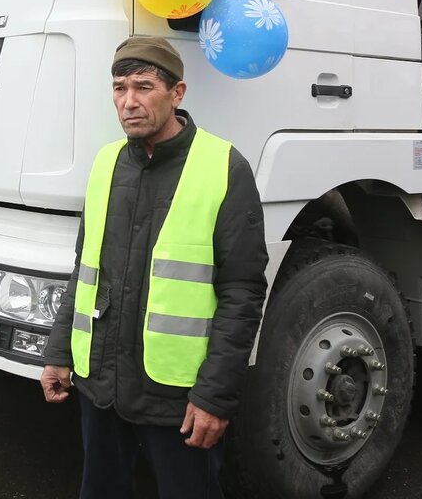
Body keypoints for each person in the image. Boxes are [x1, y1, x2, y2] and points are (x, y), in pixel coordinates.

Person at [39, 36, 268, 499]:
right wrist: (59, 352)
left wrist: (215, 396)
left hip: (177, 399)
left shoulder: (223, 166)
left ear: (177, 93)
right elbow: (84, 270)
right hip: (100, 387)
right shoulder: (106, 164)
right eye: (120, 88)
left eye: (144, 87)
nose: (129, 102)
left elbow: (242, 290)